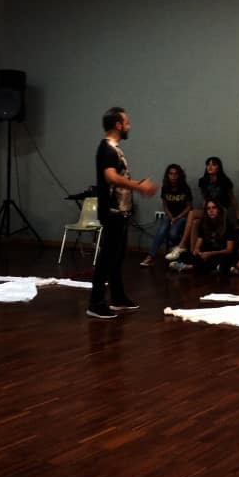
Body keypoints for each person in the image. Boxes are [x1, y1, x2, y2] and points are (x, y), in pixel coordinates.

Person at [87, 107, 158, 320]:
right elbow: (110, 177)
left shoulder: (114, 148)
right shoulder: (107, 149)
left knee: (116, 257)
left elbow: (120, 177)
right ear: (118, 125)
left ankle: (117, 297)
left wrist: (138, 184)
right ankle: (96, 303)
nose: (129, 126)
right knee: (107, 257)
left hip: (121, 211)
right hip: (112, 211)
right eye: (126, 123)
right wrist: (139, 187)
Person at [165, 156, 239, 260]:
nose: (210, 167)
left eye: (213, 164)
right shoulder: (203, 181)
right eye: (208, 164)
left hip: (221, 211)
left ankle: (182, 245)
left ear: (219, 167)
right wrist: (205, 212)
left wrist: (238, 215)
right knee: (195, 222)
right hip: (208, 210)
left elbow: (232, 199)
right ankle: (193, 253)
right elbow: (204, 199)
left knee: (192, 213)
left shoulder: (225, 182)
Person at [140, 164, 192, 267]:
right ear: (167, 175)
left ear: (179, 175)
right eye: (171, 174)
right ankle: (151, 257)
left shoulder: (185, 189)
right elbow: (165, 206)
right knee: (162, 230)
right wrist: (171, 217)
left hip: (182, 216)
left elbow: (189, 207)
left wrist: (177, 217)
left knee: (173, 234)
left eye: (176, 174)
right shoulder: (165, 188)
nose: (173, 176)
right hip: (170, 216)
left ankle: (179, 249)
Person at [169, 199, 236, 273]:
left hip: (219, 254)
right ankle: (213, 268)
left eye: (214, 208)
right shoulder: (204, 224)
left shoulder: (227, 224)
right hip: (206, 254)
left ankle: (188, 267)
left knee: (226, 259)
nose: (211, 211)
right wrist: (197, 251)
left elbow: (229, 250)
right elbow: (198, 245)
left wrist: (210, 253)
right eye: (208, 208)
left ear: (219, 210)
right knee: (183, 255)